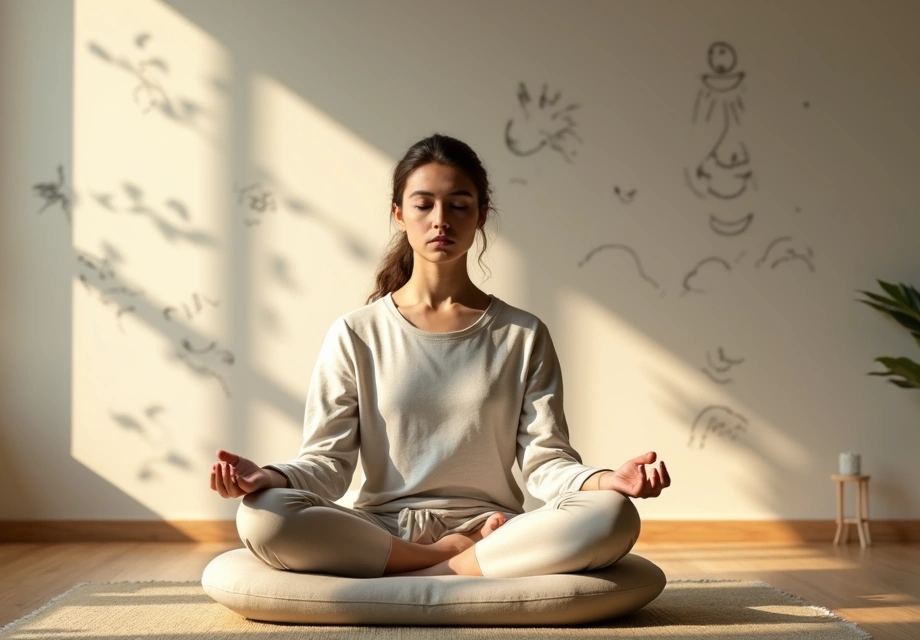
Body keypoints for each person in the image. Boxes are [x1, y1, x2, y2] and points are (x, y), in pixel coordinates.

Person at [209, 133, 671, 579]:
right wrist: (267, 476)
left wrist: (609, 479)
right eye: (423, 204)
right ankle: (451, 561)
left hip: (496, 528)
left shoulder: (524, 335)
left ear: (481, 215)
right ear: (398, 213)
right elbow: (326, 466)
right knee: (264, 516)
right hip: (383, 530)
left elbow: (546, 462)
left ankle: (419, 569)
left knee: (613, 514)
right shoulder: (356, 333)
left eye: (459, 205)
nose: (440, 220)